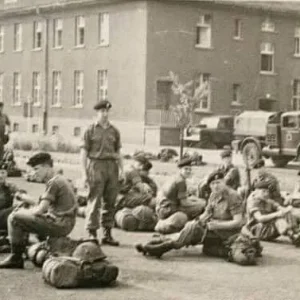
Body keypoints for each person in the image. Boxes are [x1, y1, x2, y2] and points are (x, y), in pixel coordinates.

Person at [136, 171, 258, 265]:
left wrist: (217, 225)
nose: (216, 186)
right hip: (214, 230)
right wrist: (198, 220)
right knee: (192, 227)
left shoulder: (233, 196)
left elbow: (238, 222)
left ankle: (162, 246)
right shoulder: (213, 196)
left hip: (228, 233)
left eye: (218, 182)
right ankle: (159, 244)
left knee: (192, 229)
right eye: (213, 184)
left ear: (224, 182)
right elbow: (206, 213)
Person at [0, 152, 77, 269]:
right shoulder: (60, 179)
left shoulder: (54, 182)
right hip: (65, 222)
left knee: (14, 217)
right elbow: (42, 205)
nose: (34, 172)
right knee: (24, 214)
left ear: (46, 167)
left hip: (59, 224)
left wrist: (22, 211)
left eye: (37, 169)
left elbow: (40, 210)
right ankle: (29, 247)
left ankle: (15, 257)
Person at [81, 100, 123, 245]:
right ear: (97, 113)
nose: (105, 114)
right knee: (94, 200)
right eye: (102, 112)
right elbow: (84, 153)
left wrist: (122, 169)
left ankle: (107, 233)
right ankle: (91, 232)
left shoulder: (114, 131)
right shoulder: (90, 130)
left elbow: (118, 152)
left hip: (112, 167)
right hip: (96, 165)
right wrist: (84, 173)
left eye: (107, 111)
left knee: (110, 201)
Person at [154, 158, 206, 234]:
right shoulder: (180, 181)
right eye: (186, 169)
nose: (188, 171)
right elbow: (184, 203)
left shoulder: (174, 178)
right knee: (201, 206)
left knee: (196, 200)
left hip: (162, 207)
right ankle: (194, 229)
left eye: (189, 169)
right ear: (180, 170)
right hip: (169, 209)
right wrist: (202, 204)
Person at [242, 180, 300, 246]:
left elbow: (281, 209)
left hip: (268, 228)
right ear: (256, 192)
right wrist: (277, 214)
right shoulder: (252, 202)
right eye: (263, 191)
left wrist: (288, 209)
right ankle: (293, 235)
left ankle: (296, 233)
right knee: (278, 219)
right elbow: (260, 218)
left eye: (267, 191)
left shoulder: (267, 200)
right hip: (257, 230)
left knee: (287, 213)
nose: (266, 194)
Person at [115, 155, 157, 231]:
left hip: (114, 197)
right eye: (140, 165)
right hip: (120, 199)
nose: (141, 168)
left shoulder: (126, 167)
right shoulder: (133, 171)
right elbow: (141, 188)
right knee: (149, 199)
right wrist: (149, 192)